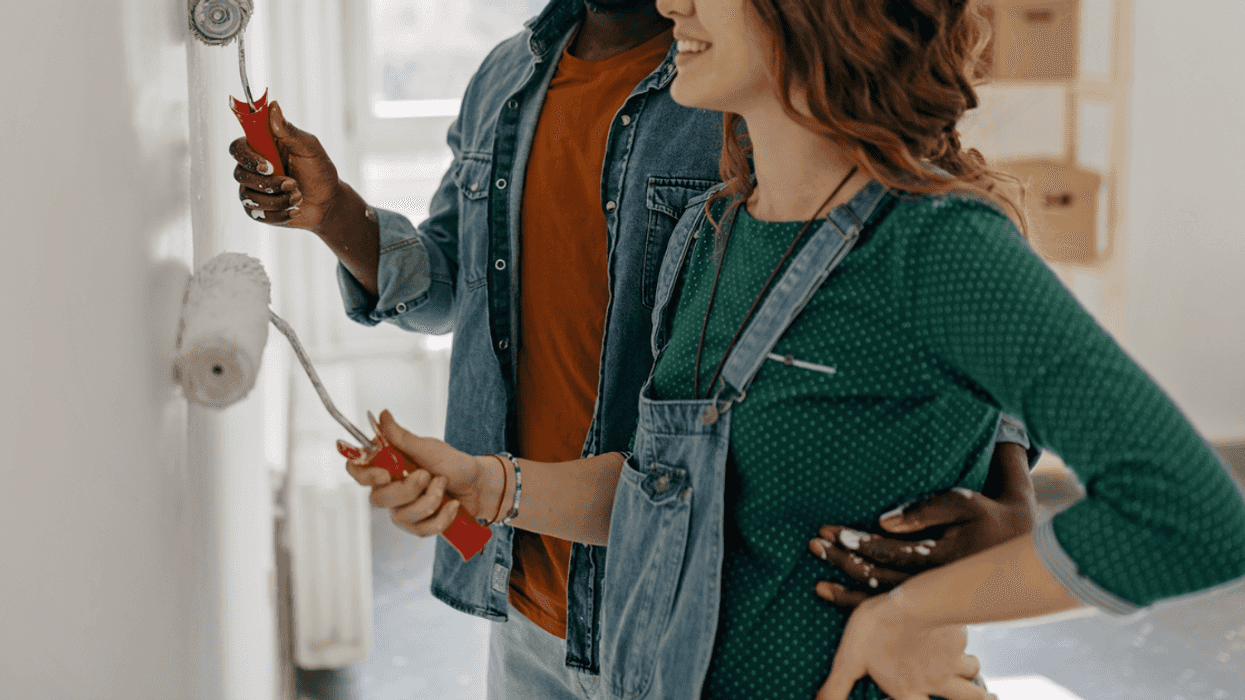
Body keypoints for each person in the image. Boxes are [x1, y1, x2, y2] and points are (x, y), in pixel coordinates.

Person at [339, 0, 1245, 698]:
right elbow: (671, 491)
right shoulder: (712, 230)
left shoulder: (936, 246)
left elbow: (1193, 518)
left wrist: (915, 610)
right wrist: (487, 484)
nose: (675, 2)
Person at [230, 0, 1042, 697]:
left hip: (688, 599)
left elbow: (922, 269)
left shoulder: (739, 75)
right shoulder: (505, 80)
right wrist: (336, 213)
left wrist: (1011, 496)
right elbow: (450, 283)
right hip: (524, 583)